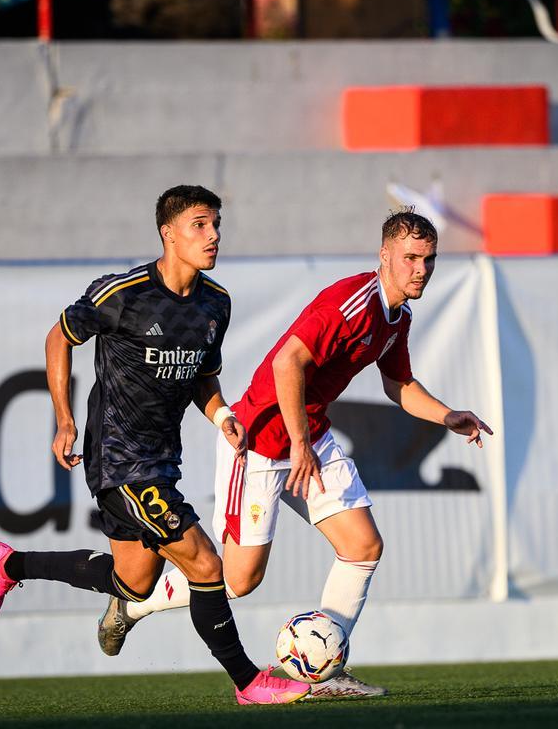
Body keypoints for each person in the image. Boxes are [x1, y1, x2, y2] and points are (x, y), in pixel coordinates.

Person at [95, 208, 493, 699]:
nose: (420, 269)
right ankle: (133, 606)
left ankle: (324, 669)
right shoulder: (350, 303)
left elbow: (399, 384)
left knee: (363, 548)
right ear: (385, 255)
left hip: (309, 436)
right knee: (239, 580)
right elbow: (288, 362)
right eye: (410, 257)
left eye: (429, 260)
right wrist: (300, 446)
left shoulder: (397, 317)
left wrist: (447, 415)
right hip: (260, 440)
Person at [0, 185, 310, 706]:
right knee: (205, 564)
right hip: (118, 459)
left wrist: (221, 414)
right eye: (200, 224)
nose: (214, 235)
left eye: (217, 224)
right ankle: (249, 682)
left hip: (161, 460)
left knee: (134, 584)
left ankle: (9, 565)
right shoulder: (123, 294)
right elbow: (58, 337)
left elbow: (203, 376)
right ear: (168, 233)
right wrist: (64, 421)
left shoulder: (215, 303)